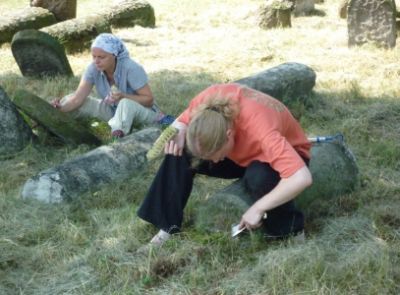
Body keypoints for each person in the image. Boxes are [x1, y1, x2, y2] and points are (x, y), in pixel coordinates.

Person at [137, 83, 313, 246]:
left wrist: (258, 208)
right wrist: (179, 131)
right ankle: (166, 225)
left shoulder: (262, 130)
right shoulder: (206, 105)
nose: (212, 163)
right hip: (242, 154)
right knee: (182, 150)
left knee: (259, 177)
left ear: (229, 134)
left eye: (215, 156)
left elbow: (301, 177)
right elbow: (182, 122)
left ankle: (291, 234)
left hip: (285, 156)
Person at [51, 33, 174, 139]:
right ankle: (53, 127)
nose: (96, 61)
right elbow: (77, 98)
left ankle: (117, 137)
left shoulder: (131, 68)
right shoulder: (93, 68)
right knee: (71, 99)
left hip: (143, 112)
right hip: (112, 110)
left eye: (101, 57)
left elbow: (149, 100)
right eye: (94, 56)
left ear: (114, 56)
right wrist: (60, 108)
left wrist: (123, 96)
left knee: (125, 103)